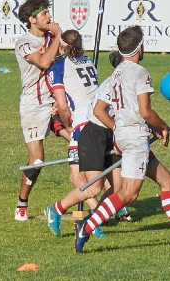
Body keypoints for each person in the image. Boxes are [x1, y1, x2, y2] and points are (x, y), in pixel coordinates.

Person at [75, 26, 170, 253]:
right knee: (129, 193)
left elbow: (100, 108)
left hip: (126, 135)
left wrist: (126, 128)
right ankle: (86, 227)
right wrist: (162, 126)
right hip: (135, 138)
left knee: (167, 180)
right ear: (140, 48)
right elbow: (145, 110)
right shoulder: (140, 73)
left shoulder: (115, 74)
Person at [44, 51, 128, 237]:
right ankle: (61, 210)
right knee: (85, 181)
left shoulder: (89, 65)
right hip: (86, 129)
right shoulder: (59, 68)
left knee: (118, 187)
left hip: (105, 130)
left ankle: (93, 217)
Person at [44, 29, 105, 236]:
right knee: (92, 177)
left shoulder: (58, 67)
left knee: (80, 177)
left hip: (83, 125)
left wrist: (67, 124)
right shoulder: (89, 62)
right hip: (101, 121)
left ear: (61, 47)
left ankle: (91, 216)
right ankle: (99, 214)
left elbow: (63, 105)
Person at [13, 0, 62, 221]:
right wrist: (58, 38)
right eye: (44, 14)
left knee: (85, 141)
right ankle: (22, 203)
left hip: (57, 101)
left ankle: (110, 201)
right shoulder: (24, 42)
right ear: (32, 19)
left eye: (48, 13)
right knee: (37, 160)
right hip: (34, 104)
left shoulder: (52, 37)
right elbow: (43, 63)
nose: (49, 17)